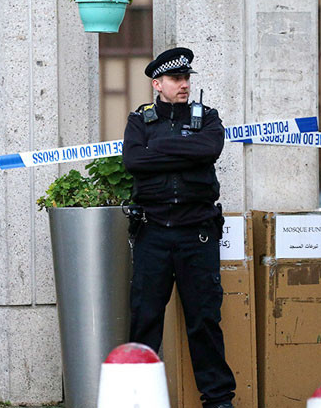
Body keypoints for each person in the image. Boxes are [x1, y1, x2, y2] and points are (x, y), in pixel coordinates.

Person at [122, 47, 236, 408]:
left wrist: (159, 150)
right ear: (158, 84)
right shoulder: (140, 121)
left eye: (186, 78)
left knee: (204, 321)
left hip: (196, 233)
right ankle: (136, 399)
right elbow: (133, 160)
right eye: (175, 78)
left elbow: (209, 150)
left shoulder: (208, 118)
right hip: (153, 232)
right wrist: (185, 149)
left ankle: (218, 400)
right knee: (145, 320)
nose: (184, 84)